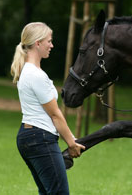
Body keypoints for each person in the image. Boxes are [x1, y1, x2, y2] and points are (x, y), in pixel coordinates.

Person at [10, 22, 85, 194]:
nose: (51, 45)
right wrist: (71, 144)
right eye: (49, 41)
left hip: (29, 137)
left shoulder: (27, 71)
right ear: (37, 43)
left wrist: (71, 138)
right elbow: (55, 114)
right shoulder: (36, 75)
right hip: (40, 138)